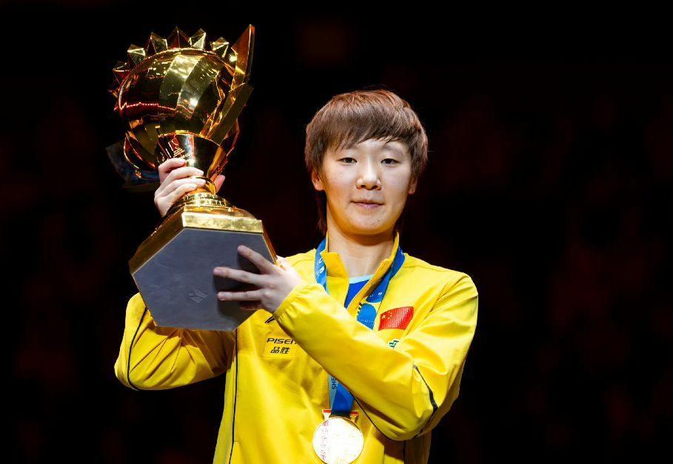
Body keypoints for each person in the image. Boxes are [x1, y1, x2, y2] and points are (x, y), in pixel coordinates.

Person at [114, 89, 479, 464]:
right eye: (349, 159)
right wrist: (179, 238)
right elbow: (145, 367)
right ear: (317, 175)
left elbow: (413, 410)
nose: (369, 179)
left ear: (413, 179)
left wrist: (293, 303)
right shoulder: (258, 280)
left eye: (389, 161)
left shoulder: (447, 291)